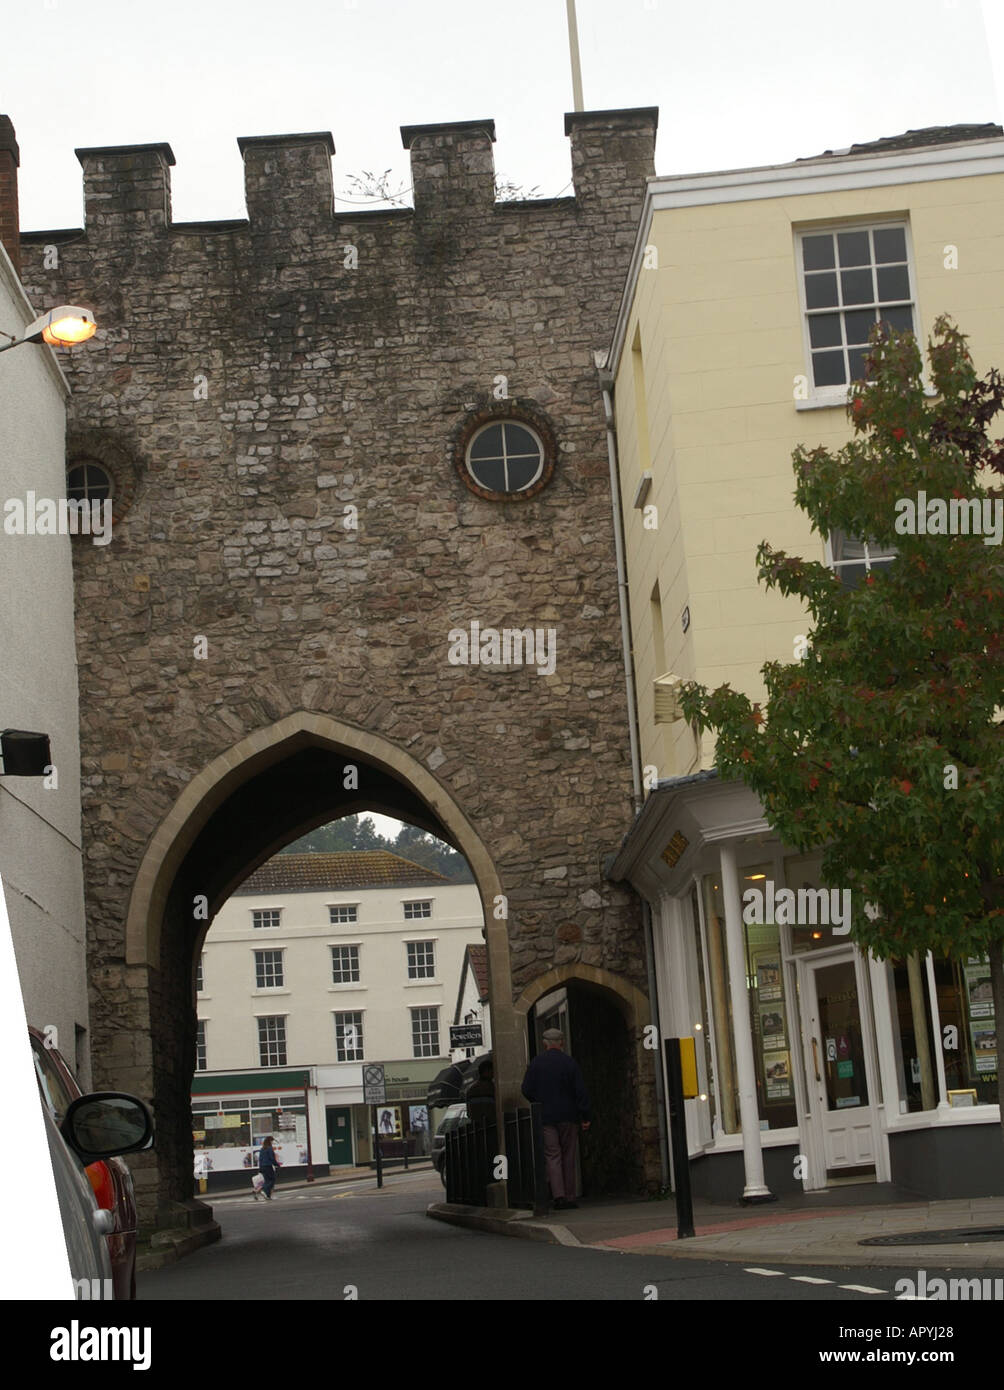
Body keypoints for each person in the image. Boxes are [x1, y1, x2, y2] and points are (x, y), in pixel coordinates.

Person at [520, 1028, 591, 1210]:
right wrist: (585, 1115)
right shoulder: (570, 1063)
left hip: (546, 1116)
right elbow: (580, 1091)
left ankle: (558, 1196)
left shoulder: (536, 1064)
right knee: (569, 1156)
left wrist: (538, 1102)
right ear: (561, 1042)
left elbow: (526, 1089)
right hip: (569, 1116)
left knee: (553, 1155)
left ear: (544, 1043)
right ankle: (570, 1196)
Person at [258, 1135, 281, 1200]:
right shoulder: (269, 1148)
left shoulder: (262, 1149)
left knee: (267, 1180)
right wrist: (277, 1164)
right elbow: (272, 1158)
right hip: (268, 1166)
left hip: (262, 1166)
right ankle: (263, 1189)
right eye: (272, 1141)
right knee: (272, 1180)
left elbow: (260, 1159)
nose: (272, 1143)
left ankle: (267, 1195)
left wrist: (260, 1168)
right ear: (270, 1141)